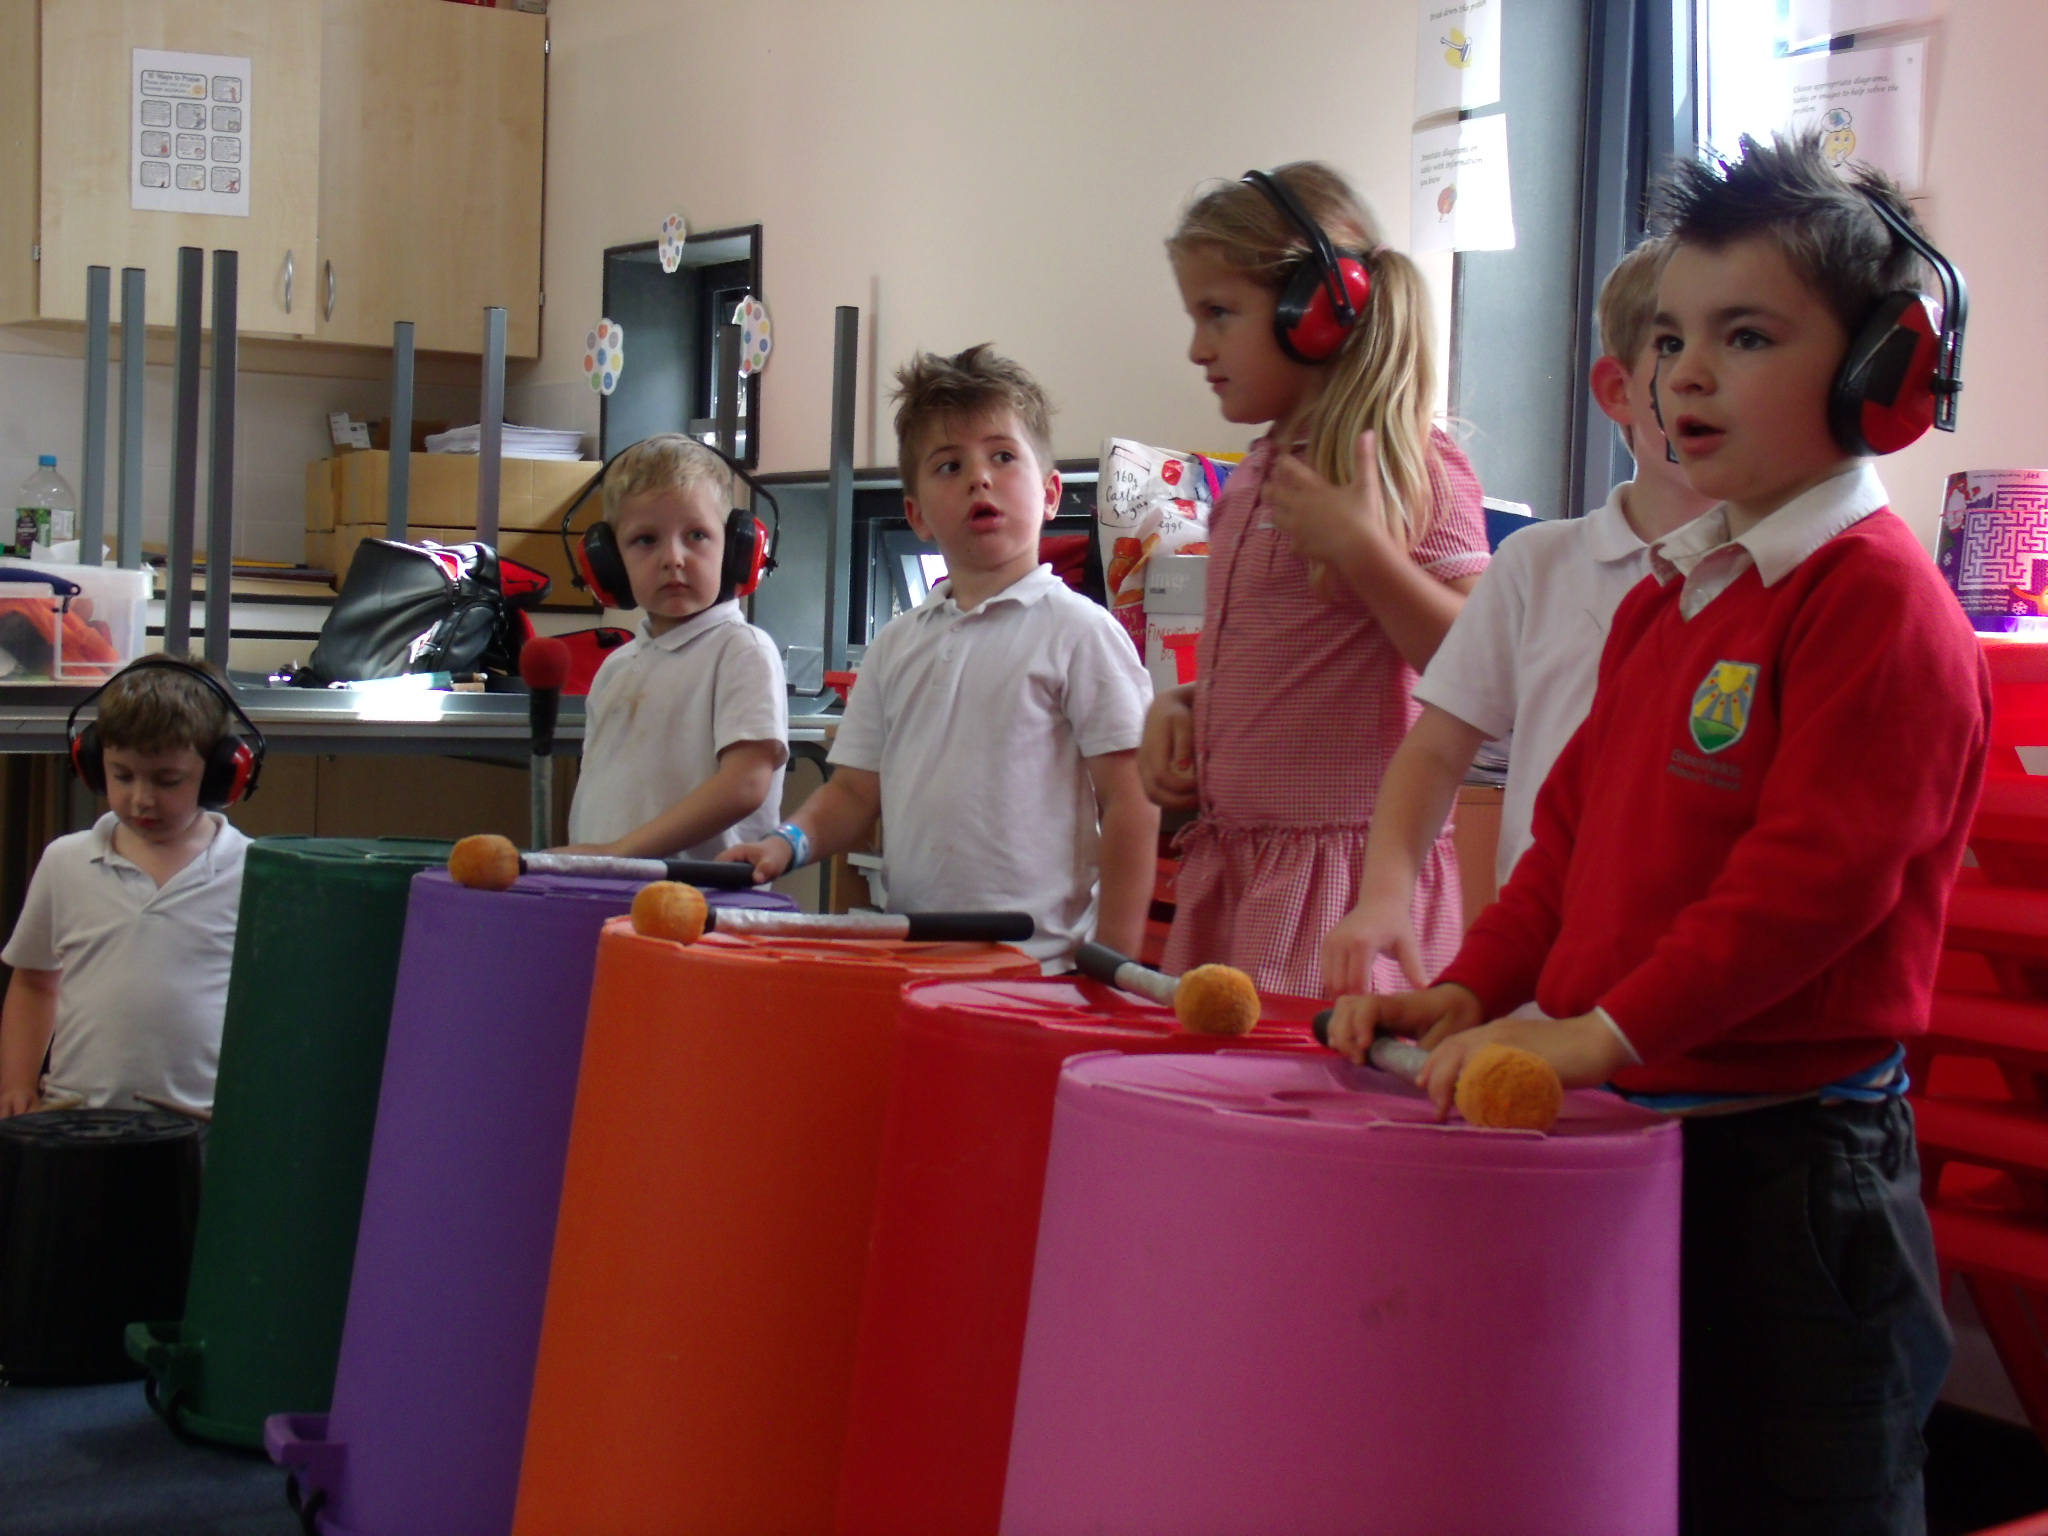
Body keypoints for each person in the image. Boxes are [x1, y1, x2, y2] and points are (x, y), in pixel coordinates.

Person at [1327, 133, 1986, 1533]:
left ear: (1886, 375)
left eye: (1746, 336)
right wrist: (1480, 984)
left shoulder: (1873, 602)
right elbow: (1563, 847)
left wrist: (1593, 1032)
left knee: (1808, 1501)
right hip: (1642, 1133)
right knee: (1649, 1486)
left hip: (1801, 1177)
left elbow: (1810, 891)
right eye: (1676, 335)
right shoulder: (1667, 599)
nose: (1687, 373)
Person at [1322, 236, 1716, 993]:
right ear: (1618, 391)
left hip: (1700, 993)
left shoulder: (1788, 582)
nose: (1705, 380)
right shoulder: (1539, 568)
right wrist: (1384, 895)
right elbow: (1435, 751)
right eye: (1671, 347)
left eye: (1745, 346)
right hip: (1543, 984)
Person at [1138, 162, 1489, 996]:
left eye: (1219, 313)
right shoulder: (1256, 475)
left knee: (1304, 1116)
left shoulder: (1413, 466)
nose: (1197, 348)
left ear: (1320, 311)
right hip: (1241, 874)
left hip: (1344, 889)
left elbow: (1480, 667)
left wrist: (1368, 554)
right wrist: (1188, 707)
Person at [722, 344, 1157, 967]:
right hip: (917, 957)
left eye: (1003, 457)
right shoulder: (897, 645)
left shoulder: (1081, 634)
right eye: (949, 466)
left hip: (1041, 966)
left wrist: (1114, 957)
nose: (980, 477)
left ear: (1052, 493)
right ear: (917, 515)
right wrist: (785, 843)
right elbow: (852, 794)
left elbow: (1131, 801)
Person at [0, 657, 253, 1117]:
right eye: (122, 775)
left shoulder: (250, 871)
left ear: (222, 775)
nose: (141, 798)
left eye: (167, 780)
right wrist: (16, 1083)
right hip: (75, 1116)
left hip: (202, 1124)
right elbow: (35, 984)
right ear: (94, 765)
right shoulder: (67, 862)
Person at [563, 433, 788, 860]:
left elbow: (745, 785)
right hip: (617, 890)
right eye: (646, 540)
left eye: (697, 535)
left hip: (702, 903)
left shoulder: (741, 651)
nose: (673, 558)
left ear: (737, 550)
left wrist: (619, 851)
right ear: (608, 562)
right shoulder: (616, 667)